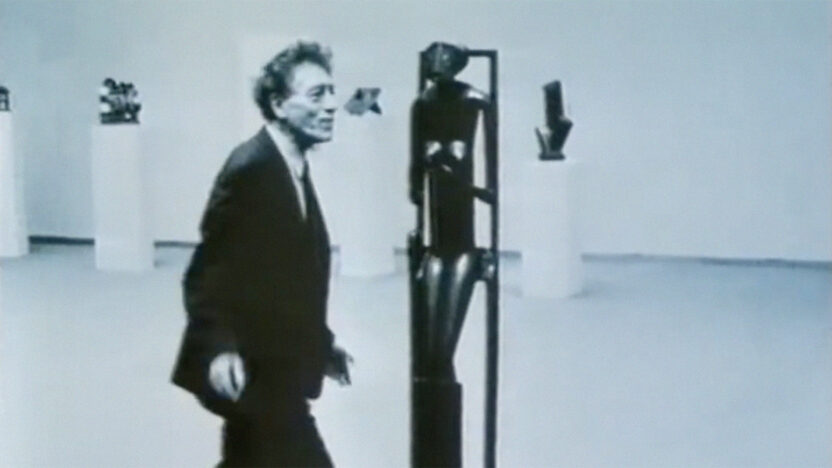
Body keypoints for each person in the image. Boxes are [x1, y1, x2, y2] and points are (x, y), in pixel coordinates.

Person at [171, 39, 351, 467]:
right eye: (316, 95)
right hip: (255, 369)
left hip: (277, 365)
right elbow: (208, 269)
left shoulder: (290, 164)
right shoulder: (251, 169)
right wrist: (220, 347)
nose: (331, 105)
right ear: (278, 104)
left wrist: (322, 344)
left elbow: (286, 275)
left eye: (331, 92)